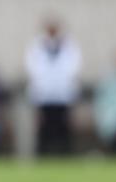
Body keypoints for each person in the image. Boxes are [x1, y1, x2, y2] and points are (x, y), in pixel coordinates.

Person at [25, 18, 81, 155]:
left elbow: (74, 65)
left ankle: (66, 154)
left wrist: (62, 79)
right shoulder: (38, 45)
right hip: (43, 94)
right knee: (44, 127)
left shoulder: (68, 45)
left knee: (63, 127)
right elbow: (32, 65)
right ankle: (42, 154)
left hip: (63, 93)